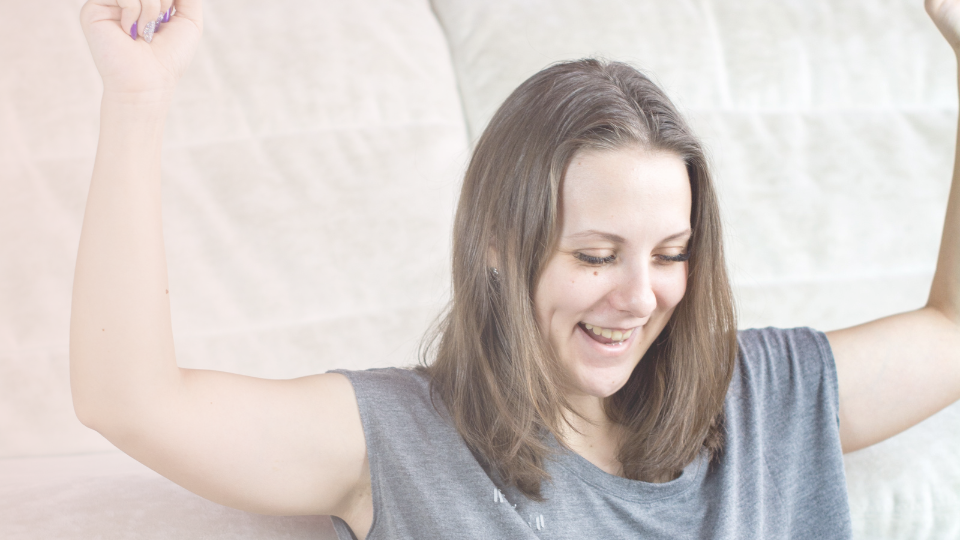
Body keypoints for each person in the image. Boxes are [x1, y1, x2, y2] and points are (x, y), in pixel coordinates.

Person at [72, 0, 960, 538]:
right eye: (594, 255)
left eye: (671, 254)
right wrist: (137, 99)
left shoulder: (762, 395)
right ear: (499, 246)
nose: (640, 296)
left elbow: (951, 332)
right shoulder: (400, 439)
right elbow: (132, 401)